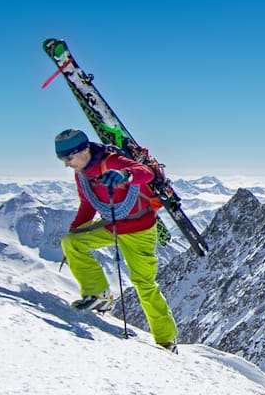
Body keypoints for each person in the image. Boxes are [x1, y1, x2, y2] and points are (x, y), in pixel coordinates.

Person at [55, 129, 179, 353]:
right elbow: (88, 203)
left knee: (145, 285)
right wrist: (76, 232)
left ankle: (166, 340)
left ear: (83, 150)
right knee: (71, 242)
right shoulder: (82, 173)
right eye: (62, 159)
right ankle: (99, 296)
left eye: (68, 158)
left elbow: (145, 172)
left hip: (139, 229)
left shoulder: (110, 160)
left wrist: (125, 176)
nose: (66, 164)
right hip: (112, 225)